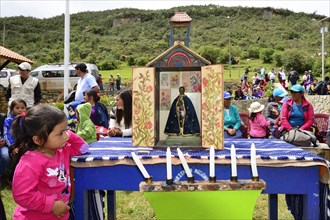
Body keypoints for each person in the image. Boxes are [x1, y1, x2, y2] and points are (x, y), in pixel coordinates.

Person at [10, 104, 88, 219]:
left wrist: (69, 135)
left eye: (66, 131)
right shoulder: (30, 162)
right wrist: (51, 205)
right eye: (60, 133)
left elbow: (83, 148)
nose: (65, 136)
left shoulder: (62, 150)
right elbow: (22, 195)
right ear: (38, 139)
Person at [2, 99, 27, 178]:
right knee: (12, 156)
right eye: (17, 108)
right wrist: (13, 147)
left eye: (22, 108)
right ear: (12, 109)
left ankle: (24, 176)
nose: (20, 110)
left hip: (24, 144)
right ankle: (10, 176)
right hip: (12, 144)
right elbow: (6, 134)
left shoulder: (26, 119)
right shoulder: (8, 120)